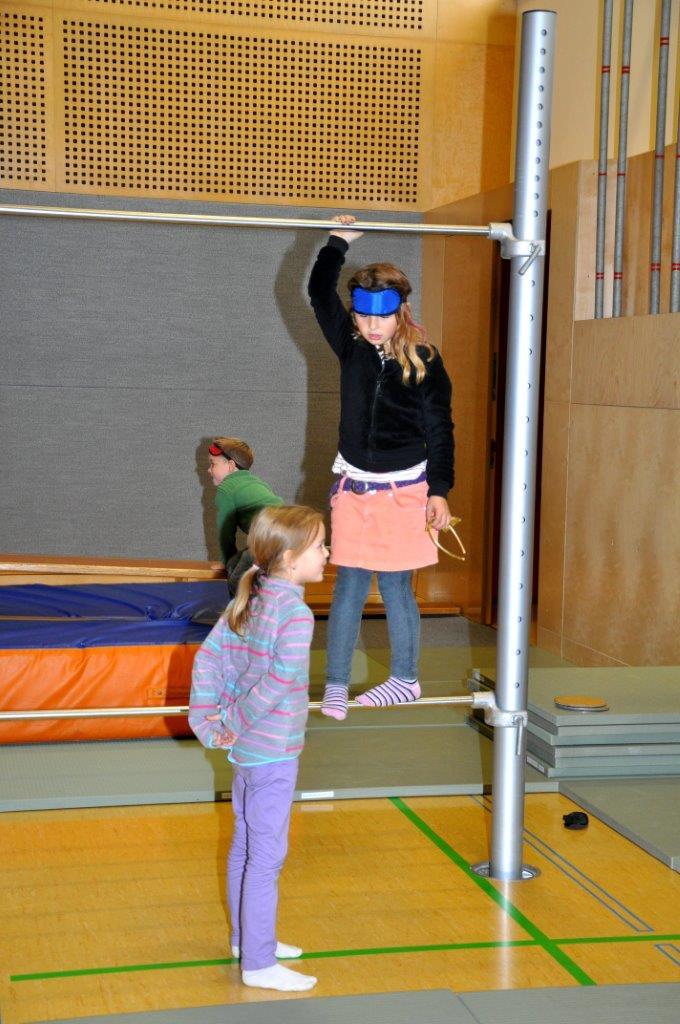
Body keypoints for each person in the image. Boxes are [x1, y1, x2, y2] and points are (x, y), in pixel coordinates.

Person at [308, 214, 454, 721]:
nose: (372, 326)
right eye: (363, 316)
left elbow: (441, 429)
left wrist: (440, 489)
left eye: (382, 316)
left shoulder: (426, 360)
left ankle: (406, 679)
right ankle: (335, 683)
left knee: (395, 586)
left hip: (404, 490)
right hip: (355, 488)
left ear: (401, 312)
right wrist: (338, 242)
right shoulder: (350, 348)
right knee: (348, 586)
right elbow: (318, 291)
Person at [188, 504, 328, 993]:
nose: (327, 553)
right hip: (272, 752)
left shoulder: (254, 595)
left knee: (245, 845)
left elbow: (209, 658)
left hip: (247, 751)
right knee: (266, 856)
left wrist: (213, 721)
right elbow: (276, 683)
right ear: (289, 559)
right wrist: (226, 721)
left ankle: (246, 940)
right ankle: (259, 962)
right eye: (320, 546)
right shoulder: (295, 613)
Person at [207, 436, 284, 596]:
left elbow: (225, 532)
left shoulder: (226, 489)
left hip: (271, 540)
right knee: (237, 562)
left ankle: (246, 609)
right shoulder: (256, 482)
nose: (209, 470)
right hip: (286, 534)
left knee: (237, 581)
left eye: (212, 464)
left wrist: (225, 560)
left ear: (230, 466)